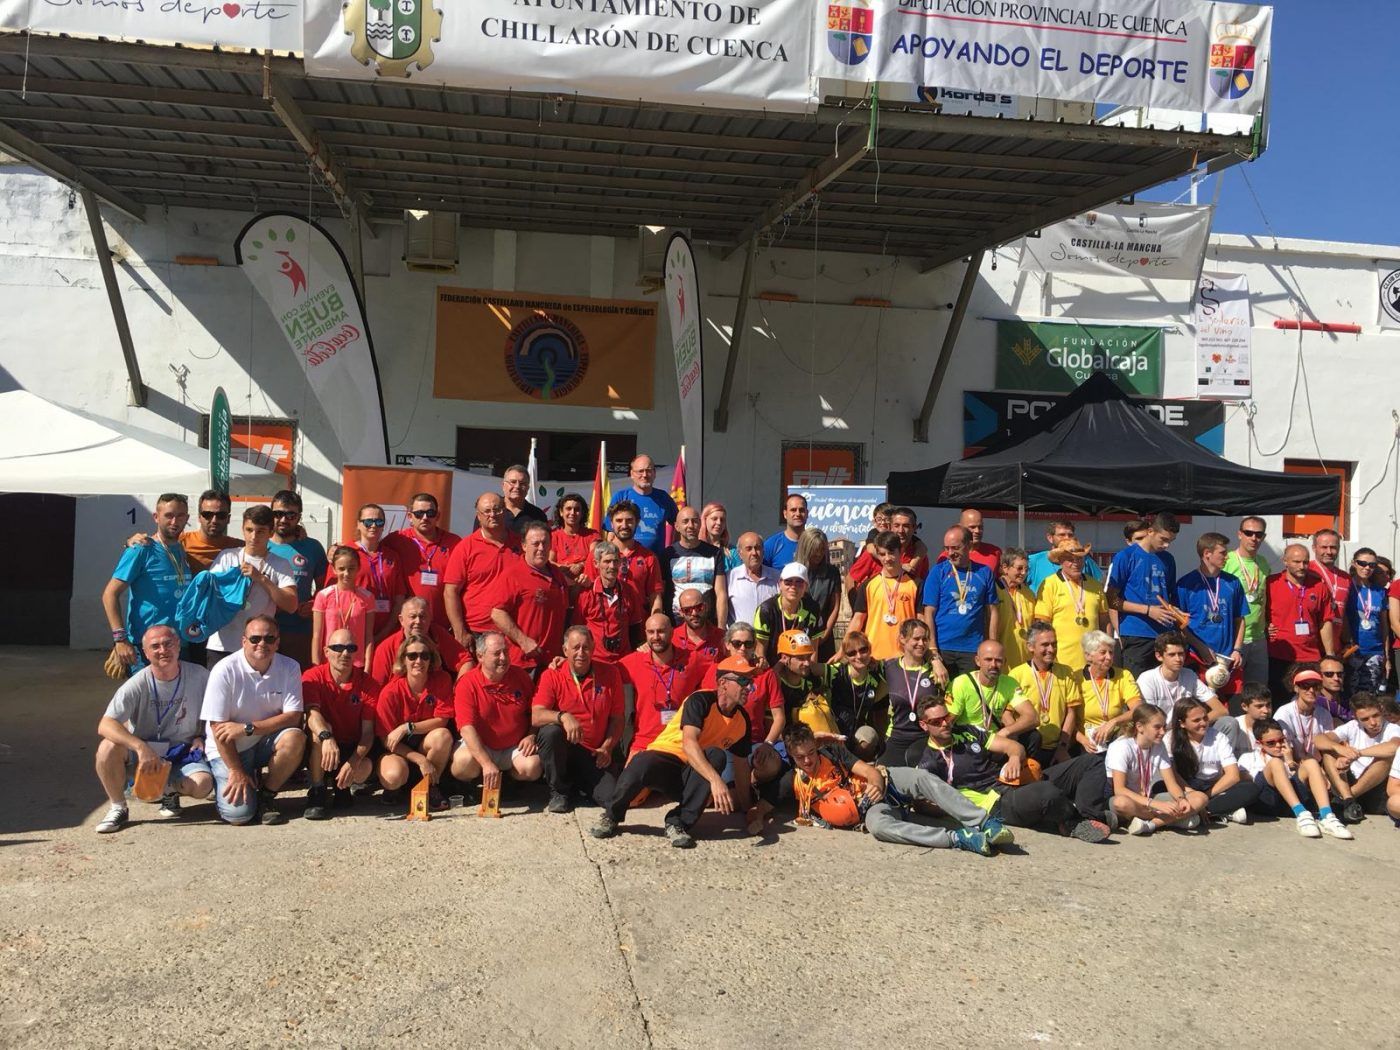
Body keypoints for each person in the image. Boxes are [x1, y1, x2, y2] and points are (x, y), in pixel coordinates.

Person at [590, 655, 758, 848]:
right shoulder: (700, 700)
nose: (749, 687)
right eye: (743, 680)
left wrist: (748, 810)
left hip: (693, 776)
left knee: (716, 755)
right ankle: (611, 816)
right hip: (666, 760)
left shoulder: (742, 721)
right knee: (642, 760)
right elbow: (689, 743)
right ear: (723, 683)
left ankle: (678, 823)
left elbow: (741, 765)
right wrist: (715, 780)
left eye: (750, 681)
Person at [784, 720, 999, 856]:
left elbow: (870, 772)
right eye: (800, 757)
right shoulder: (793, 782)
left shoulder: (831, 753)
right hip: (869, 812)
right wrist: (757, 816)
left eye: (811, 752)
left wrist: (876, 785)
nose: (808, 760)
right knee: (879, 828)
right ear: (791, 756)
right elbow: (763, 797)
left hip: (885, 782)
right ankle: (958, 838)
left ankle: (984, 821)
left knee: (921, 777)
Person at [917, 698, 1110, 844]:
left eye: (946, 718)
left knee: (1092, 761)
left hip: (1012, 781)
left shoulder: (967, 732)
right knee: (1046, 793)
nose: (945, 724)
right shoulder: (930, 761)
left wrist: (1015, 758)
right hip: (996, 802)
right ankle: (1073, 819)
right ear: (923, 725)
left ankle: (1087, 817)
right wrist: (957, 811)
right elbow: (922, 803)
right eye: (936, 722)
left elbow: (1012, 746)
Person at [93, 624, 212, 833]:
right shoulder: (138, 683)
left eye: (168, 644)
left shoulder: (200, 675)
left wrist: (202, 734)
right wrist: (139, 747)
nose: (163, 651)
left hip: (183, 750)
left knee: (203, 785)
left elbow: (216, 710)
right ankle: (118, 807)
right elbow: (105, 724)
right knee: (107, 748)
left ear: (178, 646)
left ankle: (166, 790)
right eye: (155, 646)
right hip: (145, 754)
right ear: (146, 653)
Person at [199, 615, 306, 825]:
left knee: (295, 738)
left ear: (277, 642)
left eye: (269, 638)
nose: (262, 644)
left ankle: (267, 794)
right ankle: (225, 778)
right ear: (243, 641)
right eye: (255, 639)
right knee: (239, 816)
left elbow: (294, 717)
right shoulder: (224, 670)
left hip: (262, 740)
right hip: (230, 749)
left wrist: (248, 728)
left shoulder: (290, 667)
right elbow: (218, 729)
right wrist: (236, 771)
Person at [531, 627, 625, 812]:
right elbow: (536, 715)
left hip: (593, 753)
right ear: (565, 651)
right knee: (551, 732)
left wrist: (607, 747)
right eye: (575, 648)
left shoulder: (610, 673)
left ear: (593, 648)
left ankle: (577, 785)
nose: (581, 653)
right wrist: (563, 716)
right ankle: (559, 791)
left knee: (612, 799)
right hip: (564, 750)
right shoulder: (552, 674)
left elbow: (617, 719)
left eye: (586, 647)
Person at [103, 493, 192, 673]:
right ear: (156, 517)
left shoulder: (182, 549)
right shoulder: (141, 549)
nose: (174, 522)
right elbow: (109, 594)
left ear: (187, 518)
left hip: (179, 646)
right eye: (169, 515)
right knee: (147, 701)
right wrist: (120, 639)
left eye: (180, 516)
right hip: (148, 649)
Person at [450, 631, 543, 793]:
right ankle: (477, 783)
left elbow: (535, 712)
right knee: (462, 764)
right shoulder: (468, 683)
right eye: (497, 653)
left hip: (513, 746)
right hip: (482, 746)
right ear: (480, 656)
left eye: (506, 652)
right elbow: (466, 728)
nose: (503, 658)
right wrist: (486, 763)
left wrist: (531, 734)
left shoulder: (520, 676)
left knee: (533, 767)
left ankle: (509, 781)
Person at [301, 628, 379, 820]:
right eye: (338, 648)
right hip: (323, 745)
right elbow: (312, 714)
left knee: (364, 768)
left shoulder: (368, 684)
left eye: (350, 648)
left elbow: (368, 733)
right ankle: (317, 790)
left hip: (351, 746)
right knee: (319, 729)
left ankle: (342, 787)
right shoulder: (312, 677)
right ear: (326, 651)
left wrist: (353, 763)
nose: (345, 653)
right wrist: (327, 737)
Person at [206, 506, 298, 668]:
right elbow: (209, 593)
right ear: (242, 529)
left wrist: (261, 579)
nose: (253, 536)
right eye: (249, 530)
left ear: (271, 532)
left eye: (260, 531)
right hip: (222, 645)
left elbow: (291, 605)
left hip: (259, 648)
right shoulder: (227, 556)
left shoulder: (280, 564)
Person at [375, 633, 455, 809]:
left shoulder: (442, 680)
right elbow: (386, 740)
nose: (419, 661)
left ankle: (430, 786)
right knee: (394, 776)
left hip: (424, 744)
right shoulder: (390, 692)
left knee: (443, 736)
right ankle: (397, 788)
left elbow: (442, 720)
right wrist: (420, 760)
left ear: (431, 659)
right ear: (403, 660)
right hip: (397, 750)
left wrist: (407, 727)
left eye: (424, 655)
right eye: (412, 656)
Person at [1239, 717, 1352, 839]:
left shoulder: (1290, 758)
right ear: (1259, 743)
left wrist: (1290, 762)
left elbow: (1298, 781)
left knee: (1311, 763)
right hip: (1266, 800)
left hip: (1288, 804)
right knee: (1276, 763)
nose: (1278, 745)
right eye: (1271, 743)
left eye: (1281, 740)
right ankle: (1301, 813)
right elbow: (1247, 784)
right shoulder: (1248, 758)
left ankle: (1327, 815)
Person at [1105, 703, 1207, 836]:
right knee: (1121, 803)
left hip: (1148, 799)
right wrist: (1156, 805)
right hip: (1130, 801)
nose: (1163, 732)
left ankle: (1151, 824)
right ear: (1140, 727)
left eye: (1164, 727)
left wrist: (1181, 799)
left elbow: (1171, 783)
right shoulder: (1121, 747)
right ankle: (1173, 819)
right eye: (1157, 727)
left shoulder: (1158, 745)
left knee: (1200, 798)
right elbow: (1119, 790)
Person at [620, 613, 712, 755]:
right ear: (645, 634)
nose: (656, 637)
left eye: (661, 631)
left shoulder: (691, 659)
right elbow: (604, 672)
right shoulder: (633, 662)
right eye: (651, 632)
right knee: (628, 777)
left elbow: (718, 669)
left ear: (672, 632)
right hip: (645, 743)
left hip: (679, 742)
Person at [488, 521, 571, 671]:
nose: (541, 548)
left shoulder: (558, 575)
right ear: (524, 546)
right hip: (523, 662)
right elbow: (497, 613)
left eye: (545, 543)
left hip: (552, 662)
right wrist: (524, 641)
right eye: (536, 543)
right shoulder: (513, 575)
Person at [443, 492, 523, 646]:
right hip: (476, 632)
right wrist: (460, 632)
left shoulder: (522, 544)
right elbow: (450, 592)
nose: (492, 515)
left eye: (497, 509)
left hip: (515, 632)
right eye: (487, 511)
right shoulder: (465, 547)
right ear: (478, 516)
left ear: (505, 511)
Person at [1106, 511, 1180, 677]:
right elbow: (1111, 600)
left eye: (1171, 541)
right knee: (1136, 689)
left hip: (1164, 635)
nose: (1167, 545)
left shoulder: (1168, 559)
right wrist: (1148, 610)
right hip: (1136, 634)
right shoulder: (1125, 556)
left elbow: (1170, 596)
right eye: (1164, 539)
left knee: (1163, 688)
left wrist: (1176, 612)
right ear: (1150, 531)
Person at [921, 525, 998, 682]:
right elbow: (928, 612)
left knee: (970, 698)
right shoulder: (938, 572)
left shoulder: (984, 572)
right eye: (947, 548)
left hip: (972, 648)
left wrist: (992, 646)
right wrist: (933, 650)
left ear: (969, 545)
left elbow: (993, 612)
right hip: (943, 648)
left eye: (955, 548)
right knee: (941, 700)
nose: (950, 553)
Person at [1264, 544, 1336, 704]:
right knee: (1279, 701)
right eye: (1296, 562)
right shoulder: (1271, 583)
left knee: (1310, 702)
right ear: (1285, 561)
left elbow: (1326, 621)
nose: (1302, 566)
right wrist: (1266, 626)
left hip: (1310, 656)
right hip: (1279, 655)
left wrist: (1330, 655)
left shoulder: (1319, 585)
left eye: (1305, 562)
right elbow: (1259, 614)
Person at [1170, 698, 1259, 824]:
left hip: (1214, 788)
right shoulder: (1170, 739)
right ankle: (1221, 810)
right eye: (1196, 720)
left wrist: (1205, 797)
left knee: (1251, 788)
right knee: (1160, 788)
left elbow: (1233, 775)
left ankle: (1201, 810)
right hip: (1186, 787)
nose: (1203, 723)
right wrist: (1193, 795)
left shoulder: (1218, 737)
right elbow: (1173, 775)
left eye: (1205, 718)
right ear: (1182, 723)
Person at [267, 489, 328, 668]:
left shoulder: (312, 547)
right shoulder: (260, 545)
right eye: (278, 514)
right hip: (266, 632)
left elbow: (325, 586)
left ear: (299, 516)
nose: (284, 519)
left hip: (300, 631)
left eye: (290, 514)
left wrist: (314, 604)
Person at [1319, 691, 1400, 822]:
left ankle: (1345, 800)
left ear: (1381, 710)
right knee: (1329, 752)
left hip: (1375, 787)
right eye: (1365, 719)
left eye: (1376, 715)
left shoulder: (1392, 728)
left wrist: (1356, 754)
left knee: (1386, 758)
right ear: (1356, 718)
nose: (1373, 722)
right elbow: (1319, 740)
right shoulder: (1352, 726)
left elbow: (1394, 747)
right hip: (1349, 780)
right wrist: (1339, 749)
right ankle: (1349, 801)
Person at [382, 491, 461, 624]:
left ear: (438, 516)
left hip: (443, 624)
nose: (425, 517)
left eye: (430, 513)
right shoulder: (396, 540)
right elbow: (369, 552)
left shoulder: (454, 542)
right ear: (409, 516)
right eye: (419, 514)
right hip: (408, 625)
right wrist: (336, 550)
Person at [1008, 622, 1080, 766]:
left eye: (1054, 644)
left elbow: (1071, 712)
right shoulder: (1017, 674)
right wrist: (1015, 741)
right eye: (1045, 645)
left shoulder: (1066, 672)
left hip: (1056, 747)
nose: (1051, 649)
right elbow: (1007, 713)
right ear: (1030, 647)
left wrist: (1062, 747)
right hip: (1029, 746)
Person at [847, 531, 922, 662]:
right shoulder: (868, 585)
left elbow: (922, 621)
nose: (887, 558)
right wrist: (844, 650)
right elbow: (857, 620)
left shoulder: (915, 583)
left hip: (905, 658)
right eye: (882, 554)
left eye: (891, 552)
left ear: (901, 551)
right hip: (874, 658)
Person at [338, 504, 408, 645]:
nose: (373, 526)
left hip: (387, 630)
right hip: (352, 629)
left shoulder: (392, 556)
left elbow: (399, 598)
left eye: (379, 522)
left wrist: (385, 632)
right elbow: (334, 594)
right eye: (368, 522)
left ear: (383, 525)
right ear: (358, 524)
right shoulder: (345, 553)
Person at [1033, 540, 1106, 673]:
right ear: (1060, 561)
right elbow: (1042, 625)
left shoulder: (1095, 585)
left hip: (1092, 662)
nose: (1076, 564)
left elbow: (1104, 621)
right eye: (1070, 560)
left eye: (1079, 559)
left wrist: (1105, 650)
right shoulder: (1049, 584)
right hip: (1061, 662)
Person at [946, 639, 1038, 744]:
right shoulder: (961, 683)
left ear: (1004, 662)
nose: (993, 665)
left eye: (998, 660)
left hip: (996, 737)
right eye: (988, 659)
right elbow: (947, 722)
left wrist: (1006, 731)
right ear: (977, 661)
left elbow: (1033, 717)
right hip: (969, 739)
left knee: (1033, 737)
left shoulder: (1010, 683)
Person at [1133, 632, 1230, 728]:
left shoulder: (1189, 675)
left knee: (1228, 722)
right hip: (1161, 733)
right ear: (1159, 656)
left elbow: (1221, 710)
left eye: (1181, 654)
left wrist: (1195, 724)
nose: (1178, 659)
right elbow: (1148, 720)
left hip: (1187, 731)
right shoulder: (1147, 679)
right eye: (1172, 655)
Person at [590, 500, 663, 625]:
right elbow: (587, 592)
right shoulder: (598, 555)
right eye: (619, 521)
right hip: (605, 626)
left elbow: (655, 596)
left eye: (629, 520)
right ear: (611, 524)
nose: (624, 525)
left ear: (637, 522)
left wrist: (655, 625)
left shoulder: (649, 557)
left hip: (638, 627)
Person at [880, 619, 942, 767]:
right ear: (902, 638)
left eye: (925, 639)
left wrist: (935, 660)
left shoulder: (937, 671)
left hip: (926, 737)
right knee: (883, 776)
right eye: (916, 638)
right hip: (897, 735)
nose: (921, 643)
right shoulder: (889, 667)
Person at [370, 596, 473, 684]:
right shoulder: (386, 648)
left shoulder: (437, 634)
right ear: (401, 620)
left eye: (422, 616)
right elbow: (378, 687)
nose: (418, 621)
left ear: (430, 618)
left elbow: (466, 662)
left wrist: (458, 690)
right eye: (413, 616)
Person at [826, 630, 889, 761]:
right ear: (845, 656)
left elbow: (904, 663)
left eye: (863, 650)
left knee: (869, 736)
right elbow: (809, 668)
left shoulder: (879, 670)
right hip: (836, 731)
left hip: (859, 734)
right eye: (851, 653)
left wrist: (933, 659)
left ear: (870, 650)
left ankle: (857, 767)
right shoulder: (836, 672)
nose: (859, 656)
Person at [1075, 629, 1141, 753]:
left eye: (1111, 652)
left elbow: (1138, 709)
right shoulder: (1076, 678)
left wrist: (1114, 721)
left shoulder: (1123, 675)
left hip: (1117, 736)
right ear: (1088, 656)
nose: (1109, 657)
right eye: (1103, 653)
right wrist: (1082, 740)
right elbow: (1066, 718)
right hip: (1086, 741)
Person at [1223, 516, 1271, 686]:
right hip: (1235, 637)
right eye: (1248, 533)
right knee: (1232, 689)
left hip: (1259, 638)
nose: (1253, 538)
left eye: (1258, 534)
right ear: (1239, 534)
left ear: (1263, 537)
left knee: (1258, 690)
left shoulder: (1264, 563)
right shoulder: (1227, 561)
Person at [311, 545, 375, 669]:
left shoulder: (367, 597)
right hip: (328, 663)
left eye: (351, 568)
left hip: (356, 664)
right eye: (341, 569)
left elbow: (368, 636)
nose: (346, 573)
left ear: (358, 568)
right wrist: (316, 667)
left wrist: (367, 668)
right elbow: (317, 636)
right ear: (334, 569)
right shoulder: (323, 596)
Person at [573, 541, 638, 665]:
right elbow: (577, 629)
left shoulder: (628, 591)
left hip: (624, 661)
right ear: (596, 564)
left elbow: (635, 626)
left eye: (615, 561)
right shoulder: (586, 594)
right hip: (596, 662)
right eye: (607, 561)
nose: (612, 566)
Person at [660, 504, 727, 621]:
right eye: (685, 522)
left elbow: (721, 593)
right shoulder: (668, 554)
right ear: (676, 526)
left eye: (695, 521)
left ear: (700, 524)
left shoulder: (715, 553)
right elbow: (661, 593)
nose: (690, 526)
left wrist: (721, 628)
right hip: (675, 624)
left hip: (707, 624)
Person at [607, 454, 677, 557]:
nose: (645, 475)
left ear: (654, 473)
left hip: (657, 562)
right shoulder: (621, 497)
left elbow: (678, 526)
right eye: (640, 471)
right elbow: (610, 534)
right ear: (632, 474)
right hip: (625, 562)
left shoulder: (663, 498)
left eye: (648, 470)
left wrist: (673, 550)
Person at [753, 563, 823, 662]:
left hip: (801, 669)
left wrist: (808, 675)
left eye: (799, 582)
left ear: (806, 586)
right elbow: (760, 653)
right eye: (788, 582)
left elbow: (813, 652)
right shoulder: (766, 610)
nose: (793, 586)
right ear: (780, 584)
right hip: (772, 669)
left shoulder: (813, 609)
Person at [1345, 548, 1390, 696]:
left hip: (1375, 652)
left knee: (1369, 697)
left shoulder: (1380, 591)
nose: (1366, 568)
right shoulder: (1347, 587)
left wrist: (1386, 656)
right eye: (1362, 563)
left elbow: (1384, 626)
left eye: (1371, 565)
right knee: (1350, 696)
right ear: (1354, 563)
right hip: (1352, 650)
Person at [798, 528, 842, 661]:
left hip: (824, 637)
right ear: (805, 548)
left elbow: (835, 607)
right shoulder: (795, 571)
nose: (818, 554)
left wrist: (825, 634)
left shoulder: (832, 572)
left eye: (822, 550)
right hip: (798, 635)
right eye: (815, 549)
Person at [1027, 521, 1103, 593]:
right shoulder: (1034, 561)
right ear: (1050, 538)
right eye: (1062, 535)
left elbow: (1100, 583)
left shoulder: (1084, 559)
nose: (1067, 538)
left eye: (1070, 535)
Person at [726, 531, 780, 628]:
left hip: (769, 639)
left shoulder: (776, 577)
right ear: (740, 553)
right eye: (749, 549)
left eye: (758, 548)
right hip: (740, 640)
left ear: (763, 552)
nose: (754, 553)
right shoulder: (730, 578)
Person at [180, 489, 244, 570]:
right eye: (208, 514)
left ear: (228, 518)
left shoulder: (240, 548)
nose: (214, 520)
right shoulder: (181, 544)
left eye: (221, 515)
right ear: (199, 517)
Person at [995, 548, 1035, 668]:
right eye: (1019, 568)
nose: (1023, 573)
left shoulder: (1029, 594)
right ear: (1005, 568)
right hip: (1002, 658)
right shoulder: (994, 590)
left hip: (1025, 657)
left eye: (1026, 569)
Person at [547, 492, 598, 585]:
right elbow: (549, 561)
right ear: (561, 512)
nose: (572, 513)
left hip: (585, 584)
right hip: (561, 584)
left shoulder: (592, 535)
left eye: (577, 509)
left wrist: (581, 565)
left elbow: (596, 559)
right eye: (568, 509)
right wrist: (564, 567)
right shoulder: (553, 535)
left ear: (582, 513)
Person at [1310, 527, 1351, 631]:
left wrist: (1346, 639)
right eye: (1324, 547)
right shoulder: (1306, 571)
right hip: (1311, 641)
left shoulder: (1345, 577)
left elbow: (1345, 612)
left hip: (1336, 641)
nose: (1329, 552)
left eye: (1333, 547)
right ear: (1314, 548)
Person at [672, 587, 724, 661]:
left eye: (699, 607)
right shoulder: (672, 638)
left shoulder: (722, 637)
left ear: (706, 607)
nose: (694, 613)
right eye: (687, 610)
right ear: (681, 613)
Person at [499, 463, 549, 535]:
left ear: (528, 488)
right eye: (513, 482)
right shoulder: (490, 512)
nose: (517, 486)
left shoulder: (538, 515)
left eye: (522, 483)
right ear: (503, 485)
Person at [763, 493, 808, 568]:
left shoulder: (815, 544)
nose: (798, 514)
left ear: (807, 513)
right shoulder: (771, 545)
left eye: (801, 510)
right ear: (785, 514)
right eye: (793, 510)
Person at [888, 507, 930, 582]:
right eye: (896, 525)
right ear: (890, 527)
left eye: (906, 526)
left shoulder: (920, 555)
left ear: (914, 528)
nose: (901, 530)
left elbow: (923, 583)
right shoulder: (877, 551)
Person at [954, 507, 1002, 574]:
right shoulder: (949, 555)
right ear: (960, 527)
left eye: (980, 527)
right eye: (972, 527)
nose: (977, 531)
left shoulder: (995, 552)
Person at [698, 501, 740, 572]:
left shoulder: (732, 552)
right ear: (705, 520)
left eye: (722, 520)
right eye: (714, 519)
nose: (719, 523)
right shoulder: (696, 549)